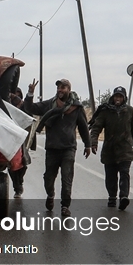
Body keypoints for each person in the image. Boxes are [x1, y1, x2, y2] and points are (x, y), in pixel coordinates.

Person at [23, 78, 91, 218]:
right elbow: (30, 108)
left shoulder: (77, 108)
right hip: (52, 148)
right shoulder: (49, 105)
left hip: (68, 148)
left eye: (63, 87)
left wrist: (88, 144)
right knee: (48, 178)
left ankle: (65, 206)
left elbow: (83, 127)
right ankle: (50, 195)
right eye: (58, 87)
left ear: (69, 90)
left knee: (67, 178)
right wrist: (30, 94)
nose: (60, 90)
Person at [89, 86, 133, 210]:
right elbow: (96, 127)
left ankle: (123, 197)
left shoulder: (129, 111)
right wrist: (93, 142)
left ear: (124, 98)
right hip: (109, 149)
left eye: (120, 97)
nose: (118, 99)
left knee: (124, 173)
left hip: (125, 149)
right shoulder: (106, 111)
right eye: (116, 96)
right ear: (113, 97)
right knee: (110, 176)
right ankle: (112, 197)